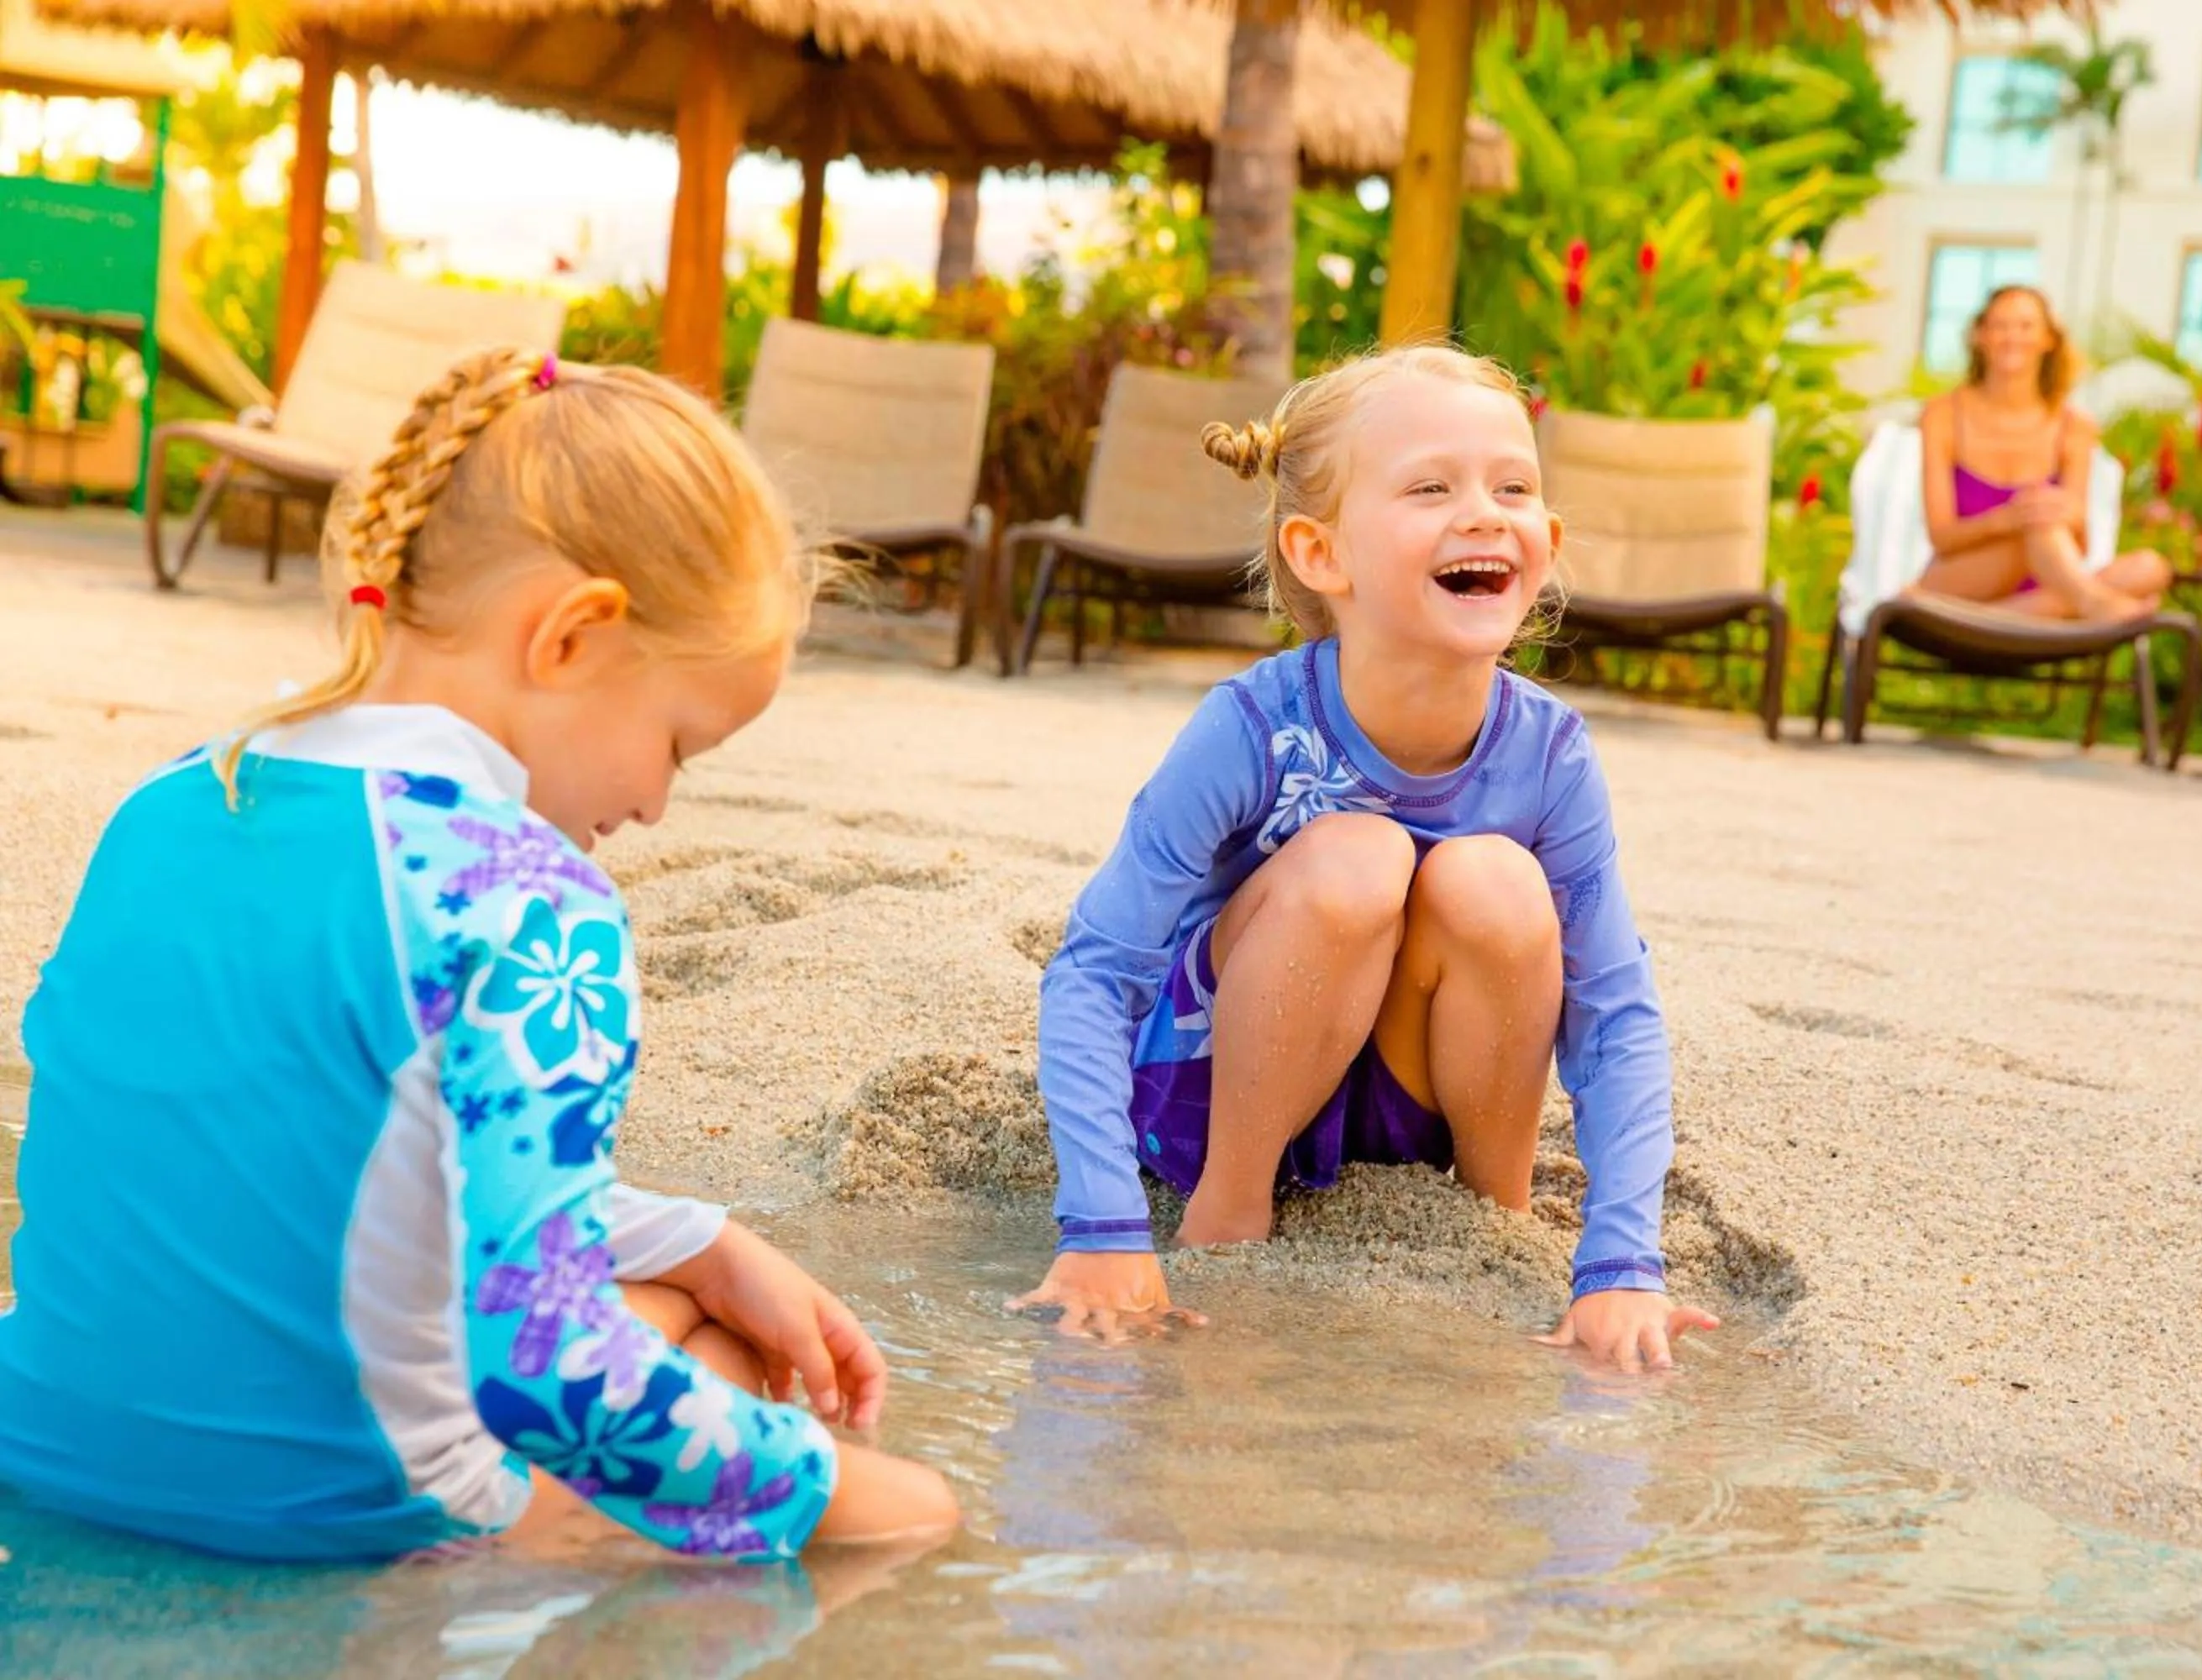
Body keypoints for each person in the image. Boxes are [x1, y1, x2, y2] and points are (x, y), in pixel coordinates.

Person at [0, 349, 958, 1563]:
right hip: (332, 1519)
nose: (658, 804)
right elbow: (547, 1370)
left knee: (680, 1302)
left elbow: (311, 1147)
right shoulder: (526, 898)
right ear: (572, 636)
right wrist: (848, 1492)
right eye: (677, 744)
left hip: (42, 1446)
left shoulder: (175, 799)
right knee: (829, 1448)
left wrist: (704, 1243)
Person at [1012, 344, 1721, 1373]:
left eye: (1512, 488)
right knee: (1357, 856)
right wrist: (1102, 1226)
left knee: (1495, 881)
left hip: (1409, 1096)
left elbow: (1615, 1012)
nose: (1483, 515)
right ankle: (1229, 1216)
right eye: (1431, 488)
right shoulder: (1253, 725)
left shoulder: (1551, 754)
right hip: (1218, 1095)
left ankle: (1491, 1214)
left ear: (1549, 543)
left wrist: (1622, 1259)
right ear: (1320, 552)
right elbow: (1094, 970)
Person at [1915, 285, 2170, 620]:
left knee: (2150, 568)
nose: (2012, 337)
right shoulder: (1943, 415)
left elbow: (2080, 542)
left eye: (2025, 326)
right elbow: (1942, 537)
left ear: (2049, 339)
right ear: (1980, 335)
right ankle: (2090, 603)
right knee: (2038, 523)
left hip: (2045, 585)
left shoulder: (2075, 427)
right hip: (1960, 579)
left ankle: (2001, 619)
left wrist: (2062, 513)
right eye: (2000, 325)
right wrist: (2007, 520)